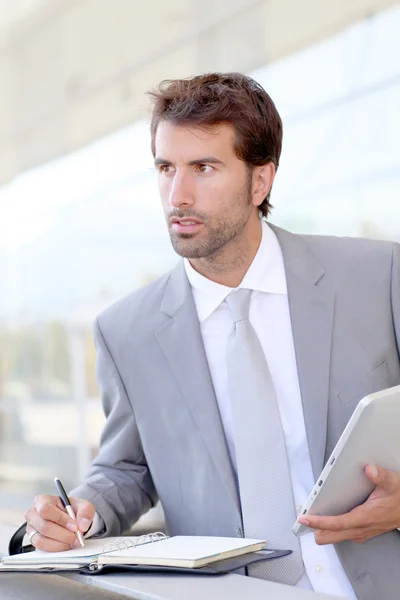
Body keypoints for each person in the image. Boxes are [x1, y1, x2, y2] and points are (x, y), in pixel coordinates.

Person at [25, 73, 400, 599]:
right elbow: (127, 469)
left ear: (260, 181)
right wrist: (78, 514)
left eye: (204, 168)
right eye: (165, 168)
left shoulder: (378, 277)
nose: (178, 195)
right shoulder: (126, 331)